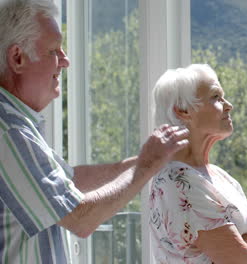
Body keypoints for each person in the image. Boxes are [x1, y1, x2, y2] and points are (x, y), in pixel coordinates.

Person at [0, 0, 189, 263]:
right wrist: (147, 165)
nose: (65, 61)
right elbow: (80, 218)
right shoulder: (10, 132)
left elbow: (72, 181)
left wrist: (156, 157)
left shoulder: (17, 125)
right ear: (17, 58)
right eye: (54, 50)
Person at [149, 64, 247, 264]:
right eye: (216, 97)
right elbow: (246, 261)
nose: (228, 105)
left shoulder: (218, 175)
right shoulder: (178, 182)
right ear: (184, 111)